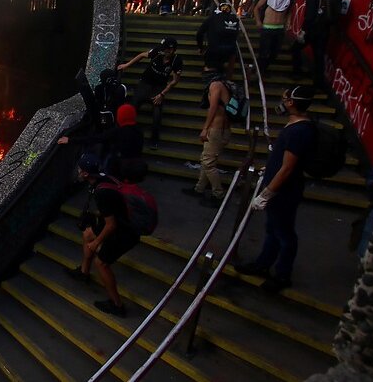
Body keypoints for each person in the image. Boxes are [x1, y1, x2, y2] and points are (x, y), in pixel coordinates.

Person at [235, 85, 318, 293]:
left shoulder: (299, 131)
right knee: (273, 229)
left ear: (291, 102)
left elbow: (289, 166)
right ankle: (263, 263)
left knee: (284, 233)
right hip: (281, 188)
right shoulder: (296, 127)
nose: (281, 102)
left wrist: (267, 193)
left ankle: (282, 274)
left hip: (285, 192)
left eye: (284, 98)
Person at [66, 153, 141, 317]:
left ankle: (117, 305)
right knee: (87, 234)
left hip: (125, 232)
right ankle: (84, 272)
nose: (78, 170)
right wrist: (96, 215)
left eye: (80, 169)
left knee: (102, 263)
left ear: (86, 173)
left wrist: (96, 242)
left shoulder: (102, 192)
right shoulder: (103, 179)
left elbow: (111, 225)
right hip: (120, 222)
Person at [117, 37, 183, 150]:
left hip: (159, 86)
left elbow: (175, 80)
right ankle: (123, 133)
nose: (163, 52)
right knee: (133, 106)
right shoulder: (157, 52)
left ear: (172, 50)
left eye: (166, 50)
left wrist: (162, 94)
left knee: (157, 113)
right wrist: (127, 65)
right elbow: (142, 55)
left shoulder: (177, 61)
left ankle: (154, 139)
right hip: (146, 82)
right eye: (163, 49)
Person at [183, 69, 232, 207]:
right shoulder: (224, 84)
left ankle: (218, 194)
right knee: (206, 160)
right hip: (222, 129)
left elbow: (213, 107)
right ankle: (199, 188)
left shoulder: (215, 85)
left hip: (217, 129)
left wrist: (205, 128)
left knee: (208, 163)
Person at [57, 103, 144, 179]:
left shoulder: (117, 132)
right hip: (136, 166)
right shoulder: (139, 132)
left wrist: (70, 140)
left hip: (121, 168)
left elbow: (94, 138)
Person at [253, 0, 294, 73]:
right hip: (267, 28)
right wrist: (258, 21)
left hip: (279, 29)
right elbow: (256, 8)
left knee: (274, 53)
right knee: (263, 52)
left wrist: (288, 22)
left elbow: (289, 11)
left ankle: (263, 68)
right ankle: (259, 71)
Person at [300, 0, 334, 88]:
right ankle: (318, 82)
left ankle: (297, 73)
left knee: (296, 49)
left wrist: (304, 30)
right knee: (319, 57)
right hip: (324, 32)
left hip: (311, 30)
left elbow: (309, 16)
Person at [196, 2, 240, 78]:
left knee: (210, 68)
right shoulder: (234, 20)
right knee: (226, 63)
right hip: (230, 51)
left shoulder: (212, 18)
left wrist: (201, 47)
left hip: (214, 49)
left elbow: (199, 33)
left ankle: (211, 82)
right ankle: (227, 80)